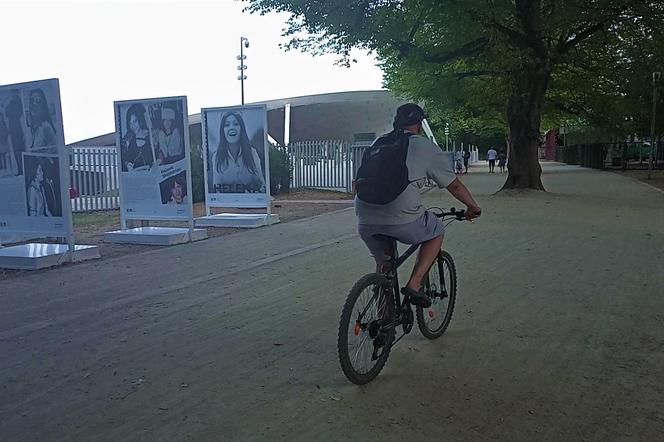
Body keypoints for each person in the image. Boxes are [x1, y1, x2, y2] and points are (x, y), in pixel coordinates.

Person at [355, 103, 481, 308]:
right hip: (401, 216)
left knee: (385, 266)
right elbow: (454, 185)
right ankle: (414, 284)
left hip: (365, 216)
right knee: (436, 231)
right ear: (419, 124)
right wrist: (473, 206)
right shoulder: (425, 146)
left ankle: (383, 322)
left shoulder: (380, 142)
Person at [212, 111, 265, 193]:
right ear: (222, 131)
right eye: (227, 125)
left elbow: (261, 185)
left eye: (236, 124)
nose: (231, 128)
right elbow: (217, 189)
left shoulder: (252, 153)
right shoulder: (216, 157)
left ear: (241, 128)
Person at [121, 103, 154, 171]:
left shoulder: (151, 135)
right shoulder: (127, 140)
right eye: (130, 123)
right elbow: (124, 159)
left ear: (140, 119)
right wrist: (127, 164)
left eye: (135, 121)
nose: (133, 126)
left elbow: (160, 155)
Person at [5, 91, 26, 174]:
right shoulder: (10, 103)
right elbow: (7, 113)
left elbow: (17, 113)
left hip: (18, 130)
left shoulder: (18, 102)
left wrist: (10, 110)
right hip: (13, 131)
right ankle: (20, 169)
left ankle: (23, 169)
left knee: (20, 150)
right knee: (16, 152)